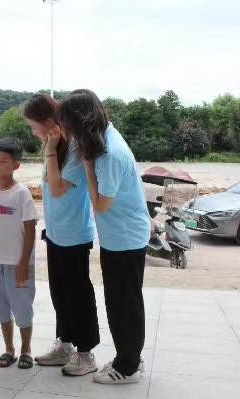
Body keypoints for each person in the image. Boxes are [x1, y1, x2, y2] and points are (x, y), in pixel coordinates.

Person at [58, 89, 150, 384]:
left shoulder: (108, 153)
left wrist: (86, 164)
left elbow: (100, 204)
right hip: (121, 237)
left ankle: (127, 367)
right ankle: (131, 355)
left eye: (68, 126)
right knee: (125, 301)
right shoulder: (107, 138)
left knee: (123, 304)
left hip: (124, 239)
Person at [23, 93, 100, 376]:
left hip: (74, 235)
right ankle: (65, 344)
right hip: (55, 232)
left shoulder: (75, 148)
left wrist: (51, 148)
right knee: (60, 293)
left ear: (48, 122)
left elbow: (56, 189)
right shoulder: (54, 144)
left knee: (78, 294)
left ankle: (86, 352)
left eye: (34, 125)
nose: (33, 131)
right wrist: (50, 145)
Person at [0, 137, 38, 369]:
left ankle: (26, 350)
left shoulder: (21, 193)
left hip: (17, 264)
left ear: (16, 165)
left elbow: (30, 227)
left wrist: (24, 261)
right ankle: (9, 349)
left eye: (3, 161)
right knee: (1, 308)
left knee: (22, 308)